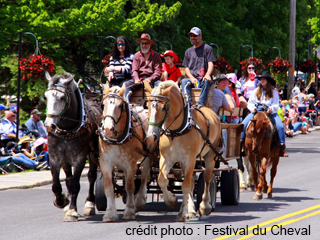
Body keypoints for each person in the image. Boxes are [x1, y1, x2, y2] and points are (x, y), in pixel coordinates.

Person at [240, 71, 288, 157]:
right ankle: (241, 145)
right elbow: (250, 102)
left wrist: (271, 109)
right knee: (243, 124)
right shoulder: (255, 91)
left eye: (264, 79)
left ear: (268, 81)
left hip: (269, 112)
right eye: (261, 79)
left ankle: (281, 147)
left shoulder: (274, 92)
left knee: (280, 126)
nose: (262, 81)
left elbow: (276, 104)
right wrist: (252, 108)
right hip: (257, 111)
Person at [180, 27, 215, 106]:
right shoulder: (188, 51)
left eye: (195, 36)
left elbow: (210, 64)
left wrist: (207, 75)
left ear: (200, 36)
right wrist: (192, 78)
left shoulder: (208, 49)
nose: (192, 38)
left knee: (206, 81)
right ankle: (188, 104)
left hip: (203, 79)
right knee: (184, 82)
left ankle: (200, 105)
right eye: (191, 36)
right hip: (192, 79)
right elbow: (186, 68)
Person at [124, 33, 162, 102]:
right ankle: (127, 107)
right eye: (142, 43)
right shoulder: (136, 55)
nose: (143, 45)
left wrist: (150, 79)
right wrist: (136, 79)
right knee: (126, 85)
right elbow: (134, 70)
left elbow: (158, 72)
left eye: (146, 43)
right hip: (140, 80)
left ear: (150, 43)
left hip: (152, 81)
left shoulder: (156, 55)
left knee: (160, 85)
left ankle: (157, 107)